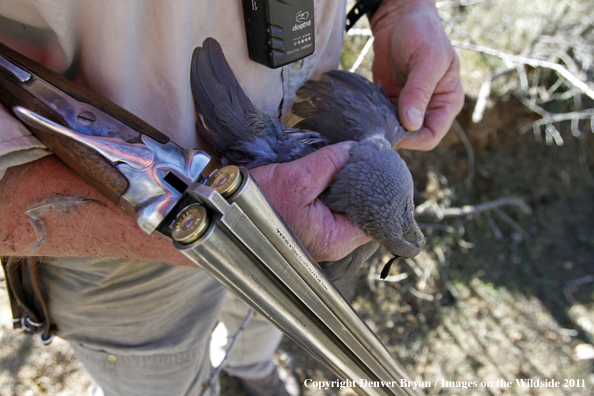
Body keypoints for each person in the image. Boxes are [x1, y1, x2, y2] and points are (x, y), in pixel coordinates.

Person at [0, 0, 463, 395]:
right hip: (118, 227)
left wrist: (398, 7)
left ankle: (251, 368)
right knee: (164, 379)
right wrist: (217, 223)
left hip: (312, 196)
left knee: (266, 321)